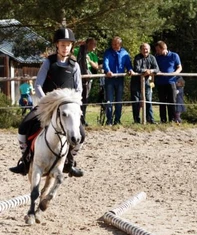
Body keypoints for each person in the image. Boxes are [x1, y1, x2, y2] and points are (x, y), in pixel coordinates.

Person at [9, 27, 85, 177]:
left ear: (71, 46)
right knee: (23, 127)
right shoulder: (48, 63)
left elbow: (79, 90)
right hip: (46, 106)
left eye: (68, 45)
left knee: (81, 135)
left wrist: (73, 104)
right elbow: (38, 85)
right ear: (57, 45)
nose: (65, 48)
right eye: (62, 45)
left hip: (68, 109)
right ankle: (25, 161)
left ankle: (69, 161)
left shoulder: (74, 66)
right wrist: (47, 103)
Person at [103, 36, 133, 125]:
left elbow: (128, 64)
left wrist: (130, 69)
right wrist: (108, 71)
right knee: (109, 100)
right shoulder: (108, 52)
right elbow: (105, 62)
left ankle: (117, 120)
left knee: (119, 101)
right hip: (110, 80)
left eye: (116, 44)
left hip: (120, 79)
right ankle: (109, 120)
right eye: (112, 44)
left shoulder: (125, 53)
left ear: (120, 44)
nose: (114, 46)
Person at [130, 43, 159, 124]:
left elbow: (157, 69)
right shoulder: (137, 57)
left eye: (147, 49)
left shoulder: (152, 58)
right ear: (140, 50)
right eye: (143, 49)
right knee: (136, 102)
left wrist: (151, 71)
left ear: (149, 50)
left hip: (147, 83)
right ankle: (136, 120)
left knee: (148, 101)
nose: (145, 50)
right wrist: (146, 71)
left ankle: (150, 119)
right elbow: (137, 68)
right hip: (136, 83)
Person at [155, 41, 182, 123]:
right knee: (162, 101)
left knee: (172, 101)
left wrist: (175, 73)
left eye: (158, 50)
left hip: (171, 82)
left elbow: (179, 67)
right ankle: (163, 119)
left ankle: (173, 119)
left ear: (163, 48)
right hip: (160, 82)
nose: (157, 51)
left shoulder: (174, 55)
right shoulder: (156, 57)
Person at [74, 38, 99, 126]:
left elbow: (96, 67)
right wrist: (77, 43)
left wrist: (89, 60)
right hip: (77, 79)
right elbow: (70, 51)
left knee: (85, 99)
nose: (95, 46)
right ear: (88, 44)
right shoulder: (78, 50)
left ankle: (83, 118)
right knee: (77, 99)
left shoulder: (92, 55)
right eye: (93, 44)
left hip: (88, 80)